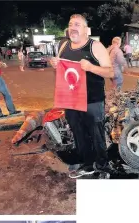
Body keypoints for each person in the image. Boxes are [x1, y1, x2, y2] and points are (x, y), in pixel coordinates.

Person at [50, 14, 114, 179]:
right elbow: (62, 72)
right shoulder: (63, 46)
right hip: (71, 100)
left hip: (92, 100)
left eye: (77, 24)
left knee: (96, 134)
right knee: (78, 133)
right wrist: (55, 65)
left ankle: (102, 165)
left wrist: (91, 67)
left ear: (86, 30)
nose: (73, 27)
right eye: (71, 24)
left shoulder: (96, 46)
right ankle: (87, 163)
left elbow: (110, 72)